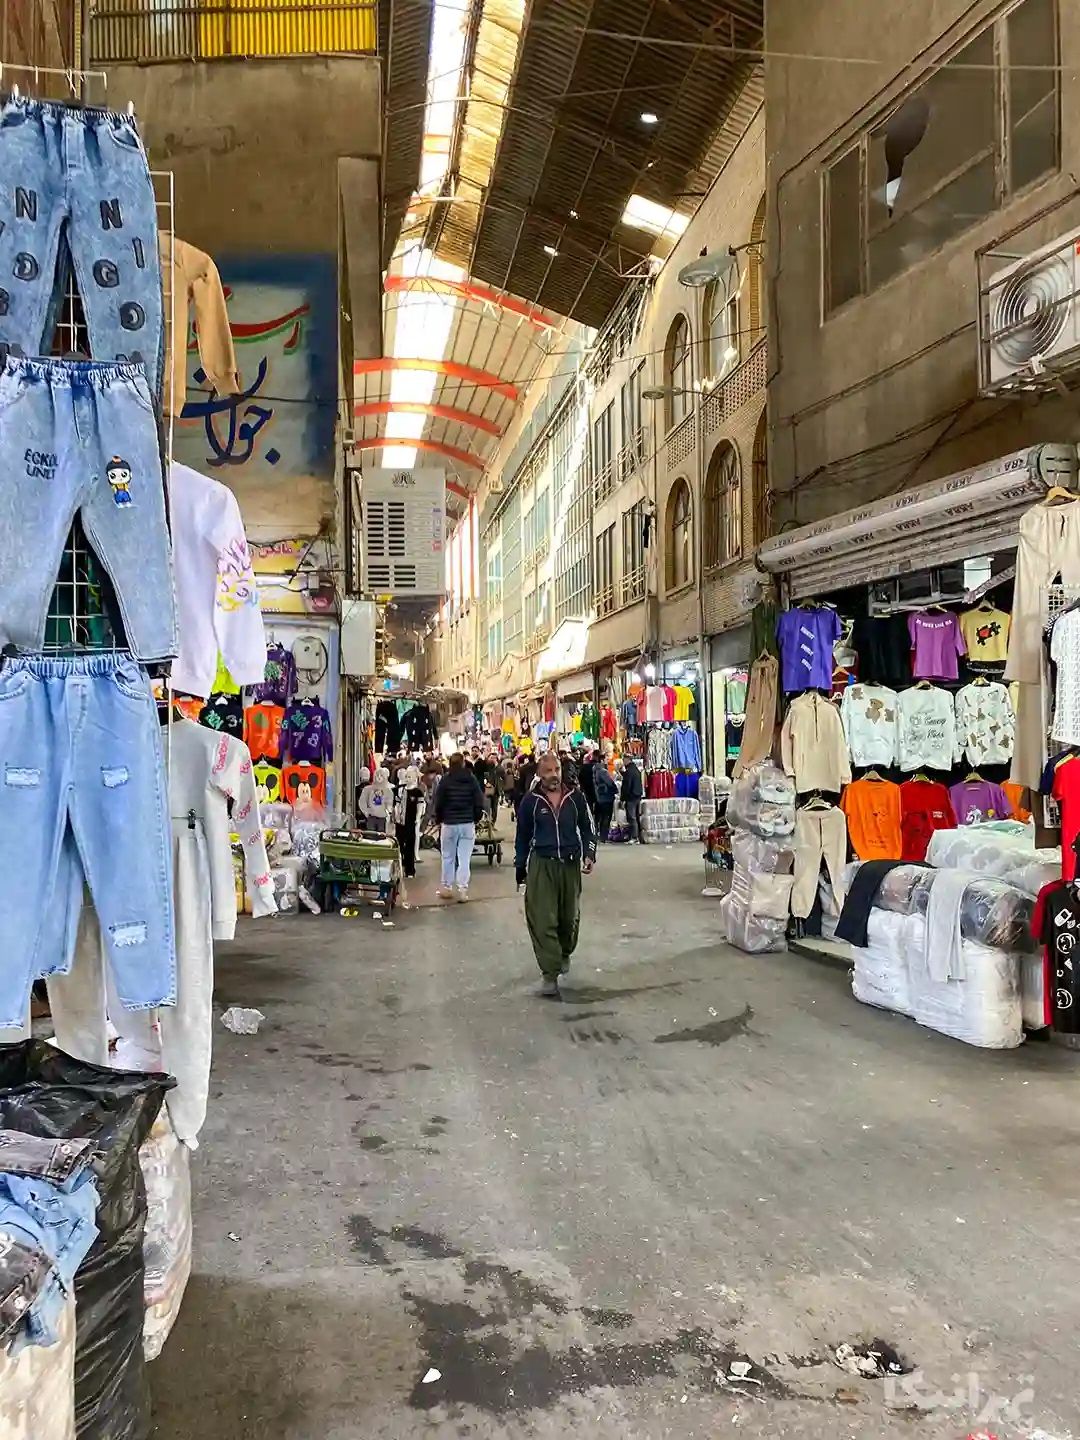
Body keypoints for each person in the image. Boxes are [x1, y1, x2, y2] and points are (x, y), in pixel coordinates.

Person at [515, 751, 597, 998]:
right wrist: (520, 867)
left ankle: (564, 953)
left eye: (557, 770)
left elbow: (588, 827)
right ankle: (549, 974)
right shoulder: (531, 802)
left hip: (570, 865)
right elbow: (522, 836)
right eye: (548, 771)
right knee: (542, 919)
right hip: (542, 864)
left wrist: (589, 854)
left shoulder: (576, 797)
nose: (554, 775)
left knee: (569, 919)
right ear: (539, 774)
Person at [433, 752, 485, 901]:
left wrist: (439, 819)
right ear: (463, 763)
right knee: (464, 858)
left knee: (448, 857)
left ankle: (447, 887)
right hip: (467, 823)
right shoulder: (471, 779)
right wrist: (476, 817)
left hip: (449, 823)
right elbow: (479, 800)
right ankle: (463, 889)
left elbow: (439, 801)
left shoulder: (446, 780)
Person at [395, 765, 424, 878]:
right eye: (406, 776)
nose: (407, 779)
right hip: (400, 821)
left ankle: (410, 870)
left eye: (410, 777)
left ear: (415, 778)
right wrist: (396, 814)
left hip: (411, 821)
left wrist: (418, 817)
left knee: (410, 845)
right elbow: (397, 804)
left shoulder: (418, 792)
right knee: (399, 844)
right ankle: (400, 867)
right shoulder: (401, 789)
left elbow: (419, 807)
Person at [358, 766, 395, 834]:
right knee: (370, 835)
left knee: (381, 836)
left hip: (382, 818)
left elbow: (389, 803)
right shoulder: (368, 789)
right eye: (377, 775)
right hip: (371, 817)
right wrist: (366, 812)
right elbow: (362, 801)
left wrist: (388, 812)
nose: (379, 777)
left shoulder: (388, 791)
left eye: (381, 775)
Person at [620, 756, 644, 843]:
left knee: (631, 817)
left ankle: (634, 837)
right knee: (636, 817)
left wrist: (623, 798)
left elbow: (627, 786)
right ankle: (637, 836)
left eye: (624, 760)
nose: (623, 762)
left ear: (627, 760)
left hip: (631, 797)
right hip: (637, 796)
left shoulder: (629, 771)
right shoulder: (635, 770)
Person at [593, 760, 618, 841]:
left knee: (600, 817)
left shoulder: (594, 771)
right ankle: (604, 836)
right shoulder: (603, 772)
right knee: (606, 817)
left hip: (599, 797)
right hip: (607, 797)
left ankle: (600, 835)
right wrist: (615, 790)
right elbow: (609, 783)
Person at [577, 747, 598, 814]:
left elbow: (580, 778)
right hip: (597, 791)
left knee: (589, 807)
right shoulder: (600, 767)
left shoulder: (584, 767)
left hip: (587, 790)